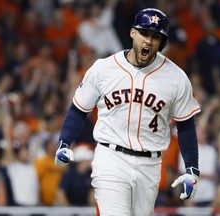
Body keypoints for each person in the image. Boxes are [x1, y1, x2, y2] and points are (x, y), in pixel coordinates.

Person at [55, 8, 201, 215]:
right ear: (133, 33)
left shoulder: (176, 78)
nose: (148, 41)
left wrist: (192, 168)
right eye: (144, 34)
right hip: (111, 156)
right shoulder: (103, 68)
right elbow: (78, 109)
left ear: (162, 42)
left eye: (155, 37)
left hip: (150, 164)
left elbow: (186, 125)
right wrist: (64, 141)